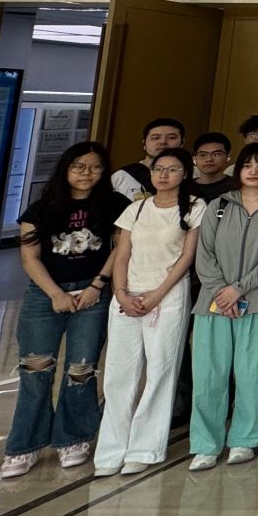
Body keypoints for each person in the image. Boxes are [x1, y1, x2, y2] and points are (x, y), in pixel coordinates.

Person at [0, 142, 129, 478]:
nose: (87, 173)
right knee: (35, 369)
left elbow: (120, 249)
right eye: (79, 166)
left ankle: (73, 438)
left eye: (95, 167)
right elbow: (30, 258)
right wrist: (55, 293)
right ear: (66, 169)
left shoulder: (115, 204)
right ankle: (24, 445)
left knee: (81, 369)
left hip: (93, 292)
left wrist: (97, 285)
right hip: (45, 294)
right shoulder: (41, 209)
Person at [187, 142, 258, 471]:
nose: (253, 171)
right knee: (209, 375)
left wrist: (239, 288)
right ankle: (206, 444)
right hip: (213, 302)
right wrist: (222, 291)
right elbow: (204, 254)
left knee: (251, 373)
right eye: (247, 164)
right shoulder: (219, 205)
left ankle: (244, 439)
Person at [96, 147, 203, 475]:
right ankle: (111, 450)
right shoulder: (136, 208)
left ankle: (145, 448)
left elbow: (186, 257)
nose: (163, 175)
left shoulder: (195, 206)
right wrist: (120, 292)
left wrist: (157, 294)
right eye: (158, 169)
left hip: (167, 296)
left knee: (160, 371)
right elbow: (122, 255)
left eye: (172, 169)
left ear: (185, 174)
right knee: (118, 375)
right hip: (127, 295)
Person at [111, 116, 183, 199]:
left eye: (171, 137)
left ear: (182, 143)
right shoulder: (122, 176)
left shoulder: (191, 177)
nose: (163, 142)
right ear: (144, 144)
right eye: (156, 138)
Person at [188, 132, 235, 202]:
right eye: (203, 155)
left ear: (227, 157)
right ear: (194, 159)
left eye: (217, 154)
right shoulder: (185, 188)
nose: (209, 159)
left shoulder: (236, 187)